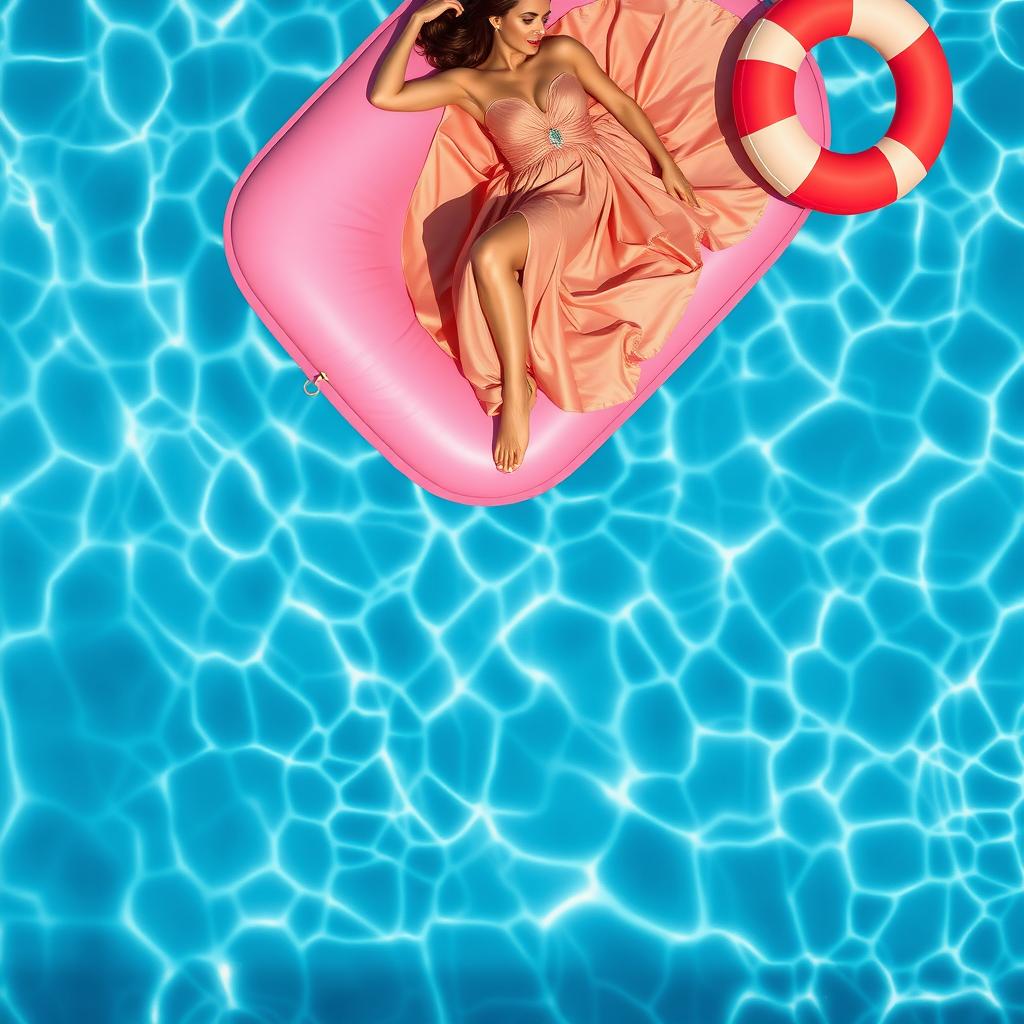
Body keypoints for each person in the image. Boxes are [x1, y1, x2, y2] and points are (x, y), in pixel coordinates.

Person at [371, 0, 769, 473]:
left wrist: (667, 165)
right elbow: (385, 96)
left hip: (596, 177)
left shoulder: (561, 51)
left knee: (490, 253)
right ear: (495, 20)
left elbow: (620, 102)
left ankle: (517, 395)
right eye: (529, 19)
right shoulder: (469, 85)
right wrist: (415, 21)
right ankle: (516, 389)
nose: (541, 27)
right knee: (489, 255)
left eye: (542, 16)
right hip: (536, 191)